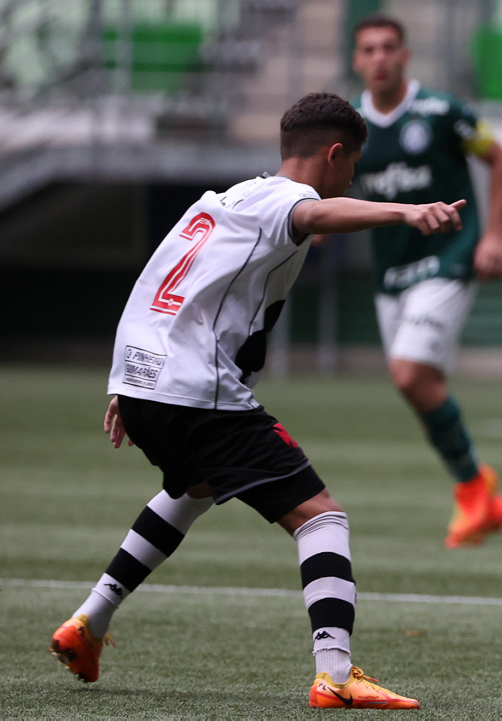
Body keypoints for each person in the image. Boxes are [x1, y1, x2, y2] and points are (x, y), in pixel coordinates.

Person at [49, 92, 469, 709]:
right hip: (196, 393)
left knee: (194, 488)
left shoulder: (221, 200)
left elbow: (157, 285)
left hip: (147, 382)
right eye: (352, 166)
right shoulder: (285, 200)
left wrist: (129, 384)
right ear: (333, 155)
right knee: (321, 518)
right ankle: (335, 675)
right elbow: (313, 214)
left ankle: (89, 622)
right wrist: (406, 212)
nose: (351, 179)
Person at [349, 15, 502, 547]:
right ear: (357, 60)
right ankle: (478, 491)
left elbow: (501, 161)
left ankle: (471, 488)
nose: (379, 58)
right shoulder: (350, 126)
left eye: (388, 48)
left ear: (405, 55)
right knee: (422, 388)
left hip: (449, 256)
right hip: (390, 273)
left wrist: (493, 237)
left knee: (406, 374)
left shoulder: (444, 112)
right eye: (369, 50)